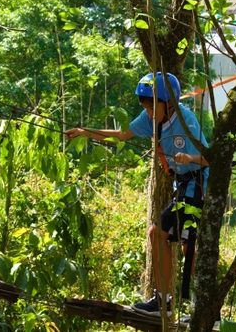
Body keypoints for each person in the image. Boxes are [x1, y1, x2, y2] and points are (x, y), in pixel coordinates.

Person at [65, 72, 209, 317]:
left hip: (197, 187)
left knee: (183, 245)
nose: (149, 111)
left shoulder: (187, 121)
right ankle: (166, 302)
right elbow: (121, 135)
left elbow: (208, 158)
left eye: (153, 105)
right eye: (145, 106)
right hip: (182, 188)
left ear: (169, 102)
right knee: (166, 238)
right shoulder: (151, 118)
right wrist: (85, 132)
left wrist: (191, 157)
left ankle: (199, 307)